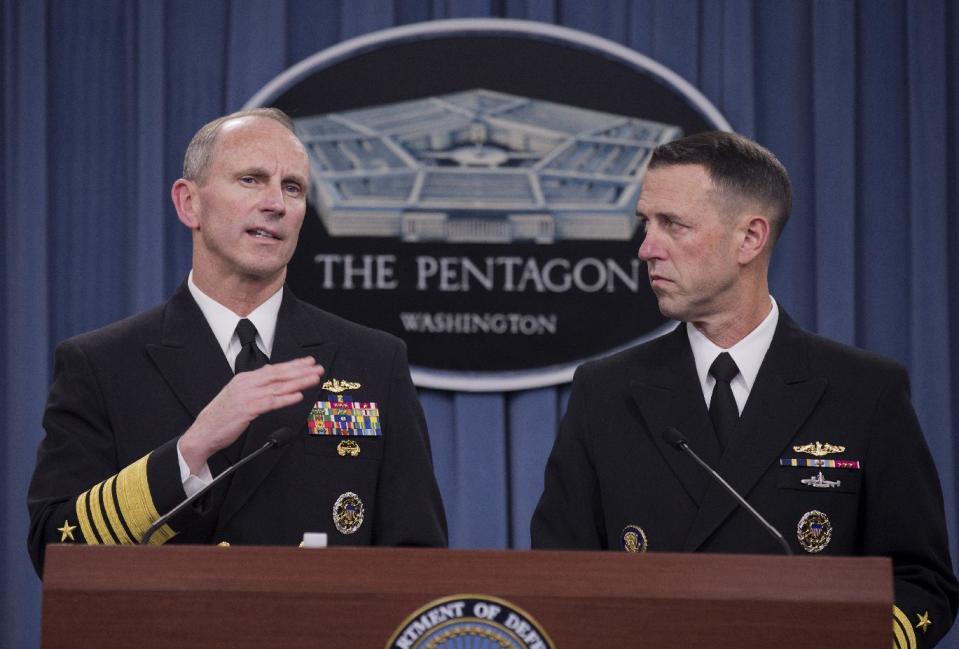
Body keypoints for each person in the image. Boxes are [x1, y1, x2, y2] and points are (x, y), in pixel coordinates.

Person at [531, 131, 958, 648]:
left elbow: (920, 580)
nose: (646, 248)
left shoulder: (865, 391)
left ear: (750, 239)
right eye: (646, 223)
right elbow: (559, 580)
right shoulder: (606, 391)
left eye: (673, 224)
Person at [28, 108, 447, 575]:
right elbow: (54, 550)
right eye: (251, 180)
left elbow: (418, 562)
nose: (276, 203)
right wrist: (188, 454)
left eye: (293, 188)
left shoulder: (373, 361)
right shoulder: (103, 364)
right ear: (190, 204)